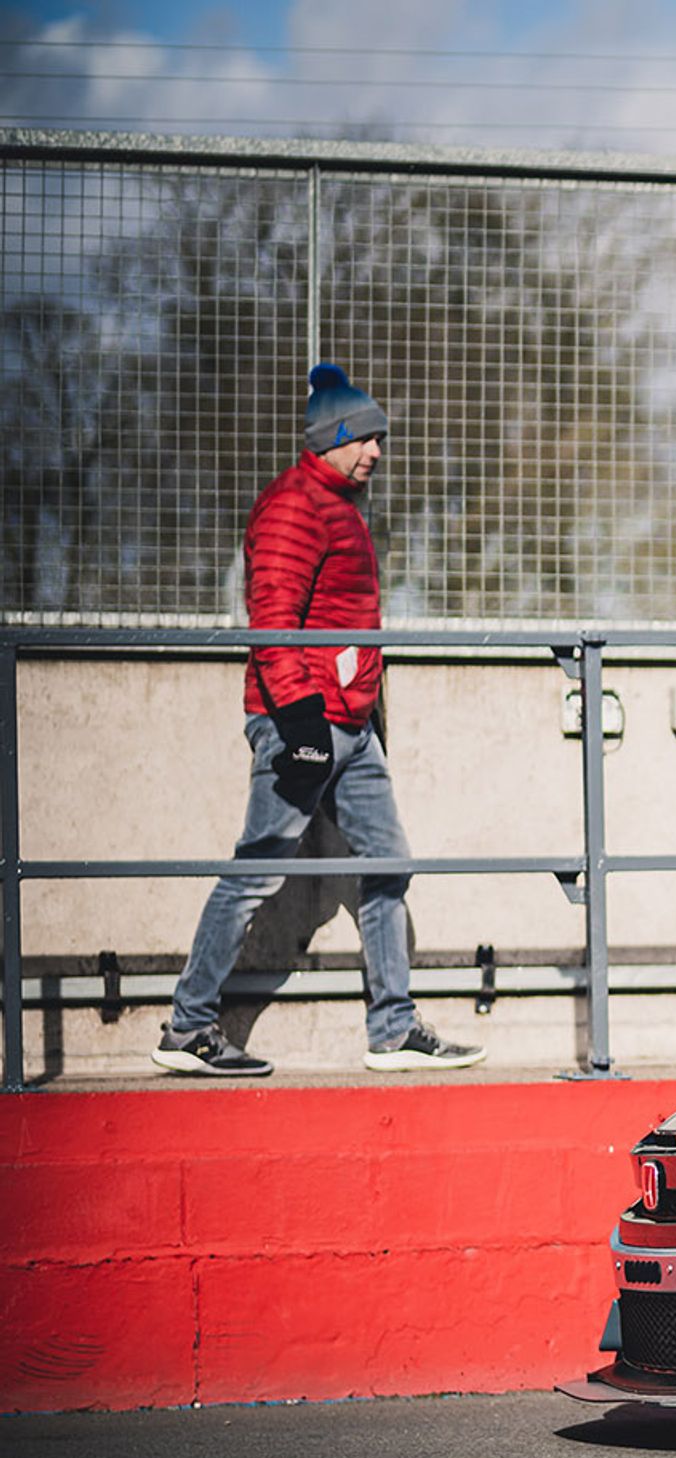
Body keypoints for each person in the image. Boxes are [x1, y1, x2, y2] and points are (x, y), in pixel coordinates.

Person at [152, 365, 484, 1075]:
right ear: (329, 439)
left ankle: (393, 1030)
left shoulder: (343, 505)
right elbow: (274, 622)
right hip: (301, 722)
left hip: (352, 728)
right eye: (364, 438)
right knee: (254, 873)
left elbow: (344, 625)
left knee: (389, 863)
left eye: (380, 439)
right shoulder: (293, 507)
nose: (376, 452)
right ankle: (187, 1029)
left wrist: (364, 716)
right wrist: (300, 725)